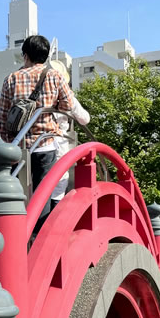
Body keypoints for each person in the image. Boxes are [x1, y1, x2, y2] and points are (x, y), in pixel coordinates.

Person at [0, 35, 74, 225]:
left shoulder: (11, 79)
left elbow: (3, 117)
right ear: (46, 55)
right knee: (43, 193)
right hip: (45, 143)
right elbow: (68, 105)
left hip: (19, 146)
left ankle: (17, 232)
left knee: (19, 193)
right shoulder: (54, 76)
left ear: (25, 55)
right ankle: (38, 235)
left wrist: (9, 142)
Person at [46, 61, 90, 210]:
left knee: (38, 184)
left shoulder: (37, 92)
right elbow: (84, 118)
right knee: (59, 184)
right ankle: (52, 218)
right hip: (59, 142)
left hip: (35, 143)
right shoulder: (66, 95)